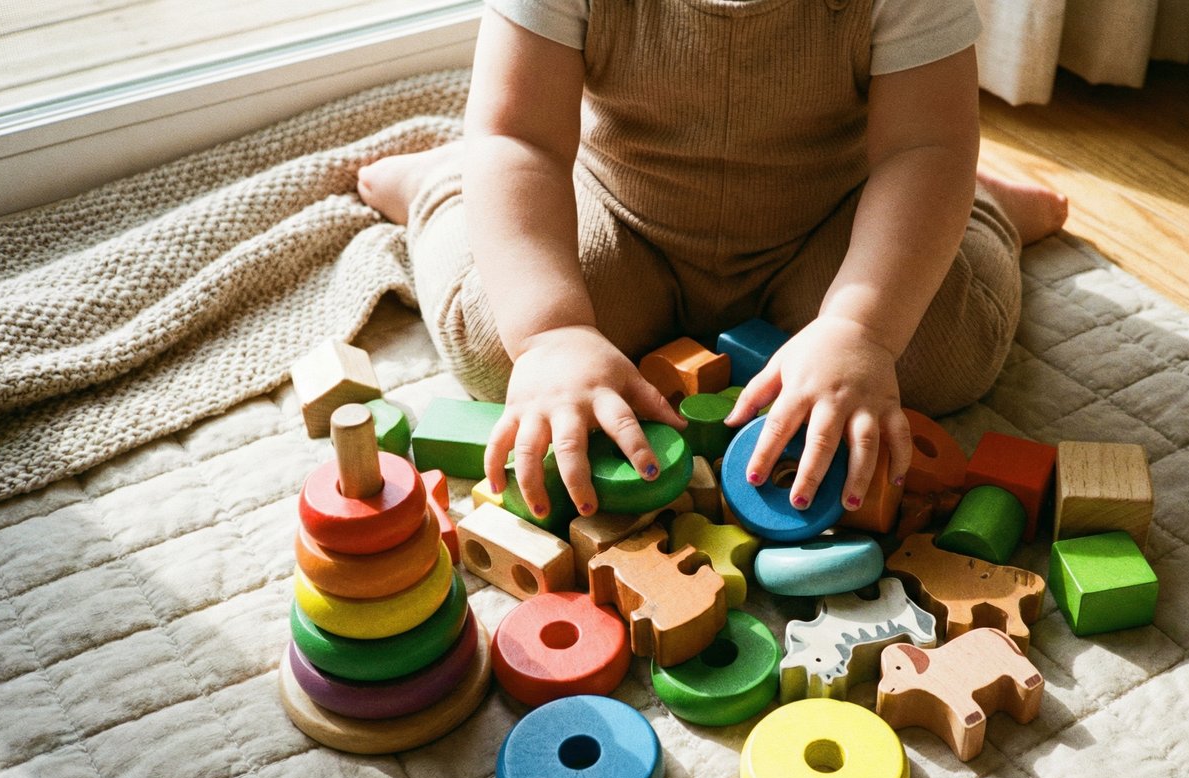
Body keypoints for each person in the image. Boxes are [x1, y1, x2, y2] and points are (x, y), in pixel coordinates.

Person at [358, 0, 1068, 521]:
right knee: (499, 348)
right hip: (621, 213)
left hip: (835, 220)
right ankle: (442, 187)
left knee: (942, 351)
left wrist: (862, 330)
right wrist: (551, 334)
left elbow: (924, 148)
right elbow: (521, 139)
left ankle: (982, 207)